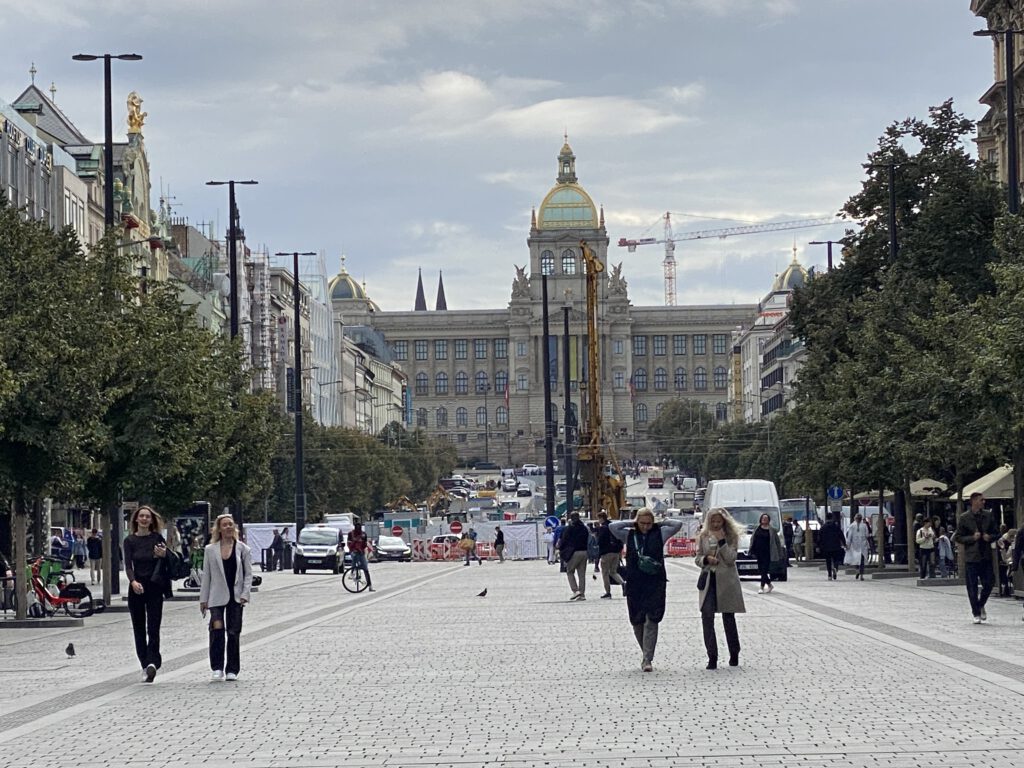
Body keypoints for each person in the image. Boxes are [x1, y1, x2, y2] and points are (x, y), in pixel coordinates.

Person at [609, 508, 682, 672]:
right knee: (637, 620)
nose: (646, 527)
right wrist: (632, 523)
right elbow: (613, 527)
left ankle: (647, 658)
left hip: (655, 582)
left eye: (649, 523)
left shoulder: (659, 534)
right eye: (642, 523)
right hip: (635, 581)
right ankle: (646, 652)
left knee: (652, 619)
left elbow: (678, 524)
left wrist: (660, 522)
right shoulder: (629, 535)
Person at [199, 513, 253, 681]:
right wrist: (203, 599)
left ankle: (232, 669)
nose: (228, 527)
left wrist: (245, 594)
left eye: (231, 524)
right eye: (225, 525)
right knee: (217, 631)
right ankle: (217, 667)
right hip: (216, 597)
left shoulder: (243, 549)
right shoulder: (210, 550)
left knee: (233, 632)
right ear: (219, 529)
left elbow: (248, 575)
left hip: (236, 597)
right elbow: (206, 575)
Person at [123, 505, 170, 683]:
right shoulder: (129, 541)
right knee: (139, 628)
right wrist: (133, 581)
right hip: (137, 587)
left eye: (147, 517)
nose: (144, 519)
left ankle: (153, 662)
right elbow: (128, 565)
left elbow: (165, 561)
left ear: (151, 520)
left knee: (153, 626)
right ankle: (145, 664)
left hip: (154, 587)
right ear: (136, 519)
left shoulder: (157, 538)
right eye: (141, 516)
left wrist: (164, 554)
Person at [694, 507, 745, 669]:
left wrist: (722, 542)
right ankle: (712, 656)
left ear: (724, 521)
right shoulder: (704, 535)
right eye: (713, 521)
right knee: (706, 616)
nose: (716, 524)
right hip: (709, 580)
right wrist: (706, 560)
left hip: (726, 582)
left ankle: (734, 652)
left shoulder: (731, 536)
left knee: (728, 617)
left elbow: (731, 559)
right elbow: (698, 558)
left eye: (719, 521)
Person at [954, 492, 999, 624]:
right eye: (981, 500)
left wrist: (989, 537)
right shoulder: (964, 518)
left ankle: (980, 604)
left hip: (985, 555)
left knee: (990, 582)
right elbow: (958, 537)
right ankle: (976, 612)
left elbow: (996, 532)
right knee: (972, 586)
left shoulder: (988, 515)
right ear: (973, 501)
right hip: (972, 557)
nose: (983, 502)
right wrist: (972, 538)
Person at [749, 513, 784, 593]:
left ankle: (761, 587)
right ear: (760, 519)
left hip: (768, 552)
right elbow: (753, 539)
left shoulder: (772, 530)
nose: (764, 520)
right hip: (758, 552)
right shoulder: (757, 529)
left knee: (764, 570)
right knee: (761, 570)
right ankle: (770, 585)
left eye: (766, 518)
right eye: (763, 518)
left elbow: (777, 542)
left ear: (769, 520)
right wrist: (751, 549)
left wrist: (780, 553)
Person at [559, 512, 590, 600]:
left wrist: (561, 550)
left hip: (574, 552)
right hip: (584, 552)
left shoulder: (570, 528)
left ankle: (575, 591)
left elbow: (564, 540)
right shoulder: (584, 528)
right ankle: (582, 594)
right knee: (582, 574)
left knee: (570, 571)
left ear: (571, 518)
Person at [595, 511, 625, 599]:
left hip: (606, 553)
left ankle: (608, 592)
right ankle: (623, 583)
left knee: (605, 573)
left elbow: (600, 542)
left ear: (601, 518)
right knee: (613, 572)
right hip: (616, 552)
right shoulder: (613, 527)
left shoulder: (603, 528)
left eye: (598, 518)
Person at [347, 522, 375, 591]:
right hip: (354, 551)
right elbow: (349, 544)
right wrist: (353, 549)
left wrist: (361, 548)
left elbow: (365, 544)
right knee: (354, 557)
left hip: (361, 552)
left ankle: (370, 585)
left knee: (365, 569)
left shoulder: (363, 534)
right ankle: (352, 572)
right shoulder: (351, 534)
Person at [819, 514, 846, 580]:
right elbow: (841, 535)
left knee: (828, 561)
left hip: (826, 547)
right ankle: (835, 568)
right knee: (836, 559)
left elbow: (819, 538)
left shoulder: (823, 527)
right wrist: (844, 543)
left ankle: (829, 575)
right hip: (836, 546)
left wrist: (819, 546)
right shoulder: (836, 526)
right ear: (832, 518)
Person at [845, 513, 871, 580]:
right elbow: (867, 535)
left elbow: (849, 536)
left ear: (855, 519)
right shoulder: (864, 525)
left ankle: (857, 570)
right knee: (862, 561)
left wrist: (848, 544)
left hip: (854, 545)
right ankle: (861, 575)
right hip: (863, 545)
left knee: (855, 560)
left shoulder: (851, 526)